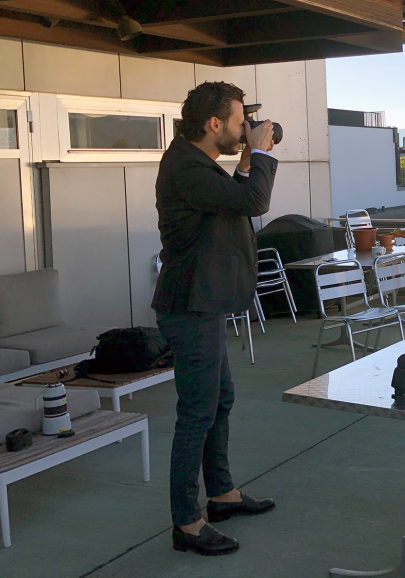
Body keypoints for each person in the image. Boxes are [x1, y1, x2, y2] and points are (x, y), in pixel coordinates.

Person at [152, 81, 278, 556]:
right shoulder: (185, 166)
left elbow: (232, 201)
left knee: (219, 401)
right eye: (240, 120)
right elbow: (253, 203)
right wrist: (261, 155)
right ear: (214, 124)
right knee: (197, 414)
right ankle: (187, 522)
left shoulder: (198, 164)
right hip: (189, 308)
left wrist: (246, 162)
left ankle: (221, 495)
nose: (245, 128)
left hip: (203, 304)